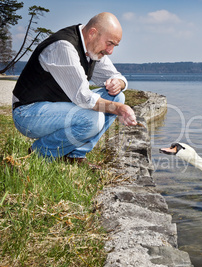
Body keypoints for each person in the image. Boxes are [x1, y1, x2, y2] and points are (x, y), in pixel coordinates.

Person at [12, 12, 137, 168]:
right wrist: (120, 110)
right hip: (28, 113)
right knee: (92, 120)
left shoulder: (93, 49)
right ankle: (39, 154)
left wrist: (119, 83)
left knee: (117, 97)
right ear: (93, 33)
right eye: (109, 43)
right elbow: (83, 98)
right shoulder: (63, 46)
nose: (110, 51)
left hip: (57, 108)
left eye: (114, 46)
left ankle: (74, 154)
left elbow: (115, 75)